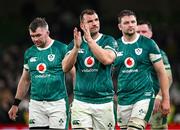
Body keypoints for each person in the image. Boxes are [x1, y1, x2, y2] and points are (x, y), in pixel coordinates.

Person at [8, 17, 70, 129]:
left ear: (48, 32)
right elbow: (25, 80)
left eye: (38, 35)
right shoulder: (29, 52)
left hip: (58, 103)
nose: (35, 39)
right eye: (32, 36)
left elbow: (75, 74)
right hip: (36, 104)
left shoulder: (62, 49)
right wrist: (15, 104)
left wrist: (76, 100)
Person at [114, 10, 170, 130]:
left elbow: (162, 72)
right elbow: (108, 72)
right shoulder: (115, 45)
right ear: (120, 26)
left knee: (135, 128)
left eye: (133, 21)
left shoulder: (149, 44)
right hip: (123, 98)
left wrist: (165, 98)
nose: (131, 25)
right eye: (127, 22)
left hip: (144, 95)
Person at [62, 9, 117, 130]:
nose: (95, 23)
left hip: (104, 101)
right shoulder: (75, 43)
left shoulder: (109, 40)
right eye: (90, 21)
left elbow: (107, 59)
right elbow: (65, 67)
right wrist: (76, 48)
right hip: (81, 101)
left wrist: (90, 40)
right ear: (82, 25)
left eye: (96, 20)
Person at [137, 20, 173, 130]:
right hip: (134, 98)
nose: (141, 34)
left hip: (155, 98)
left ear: (151, 34)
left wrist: (159, 97)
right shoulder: (129, 51)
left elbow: (168, 77)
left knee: (159, 127)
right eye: (138, 31)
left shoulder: (158, 53)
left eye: (144, 31)